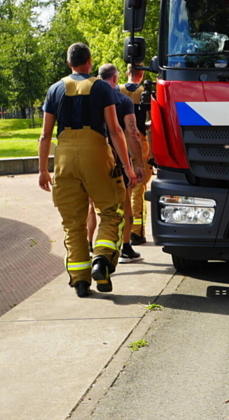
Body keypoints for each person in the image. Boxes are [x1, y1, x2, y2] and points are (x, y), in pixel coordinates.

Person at [38, 43, 138, 298]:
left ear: (68, 62)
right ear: (89, 61)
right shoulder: (102, 87)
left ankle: (80, 281)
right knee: (110, 212)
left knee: (73, 224)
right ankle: (102, 260)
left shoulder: (54, 89)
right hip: (96, 155)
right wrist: (127, 167)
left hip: (64, 158)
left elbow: (45, 135)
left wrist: (43, 171)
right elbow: (115, 130)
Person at [85, 64, 145, 262]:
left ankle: (88, 244)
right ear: (115, 79)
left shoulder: (88, 98)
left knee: (92, 205)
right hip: (116, 161)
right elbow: (132, 133)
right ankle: (125, 247)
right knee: (124, 204)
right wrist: (138, 165)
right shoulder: (123, 100)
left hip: (92, 159)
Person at [120, 64, 154, 245]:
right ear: (141, 74)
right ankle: (136, 232)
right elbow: (152, 122)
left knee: (123, 185)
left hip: (119, 142)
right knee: (139, 186)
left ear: (127, 73)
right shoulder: (146, 93)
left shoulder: (116, 91)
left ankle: (122, 230)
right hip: (139, 142)